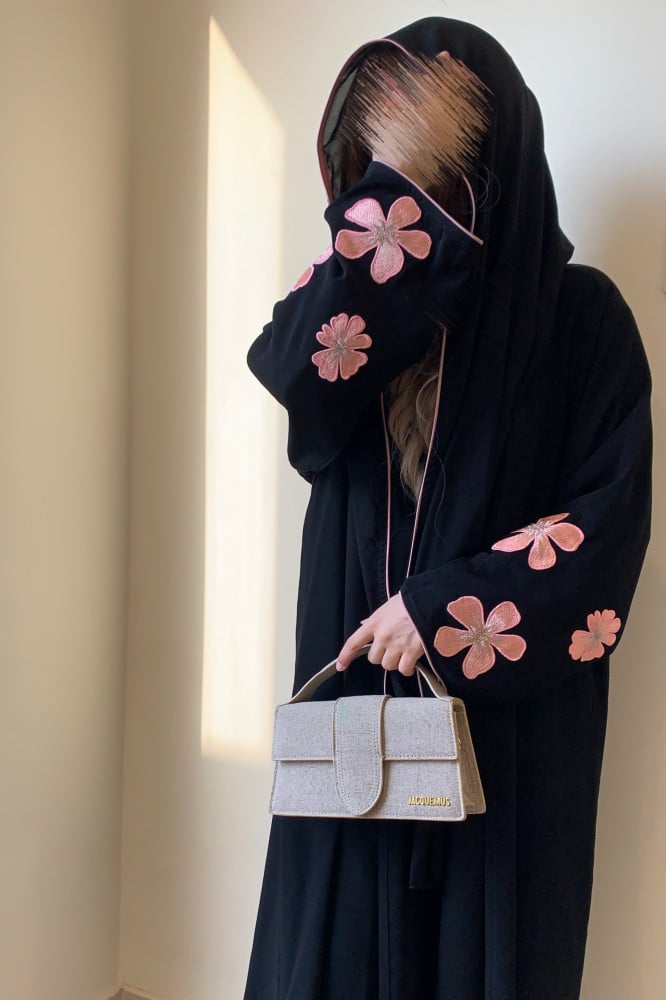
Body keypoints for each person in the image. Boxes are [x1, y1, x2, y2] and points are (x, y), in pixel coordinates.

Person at [242, 16, 652, 1000]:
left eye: (436, 184)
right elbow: (294, 376)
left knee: (490, 957)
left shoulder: (583, 322)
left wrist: (436, 610)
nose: (409, 216)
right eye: (380, 188)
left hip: (508, 734)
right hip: (354, 711)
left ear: (491, 171)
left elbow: (603, 532)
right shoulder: (357, 324)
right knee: (333, 956)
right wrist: (391, 234)